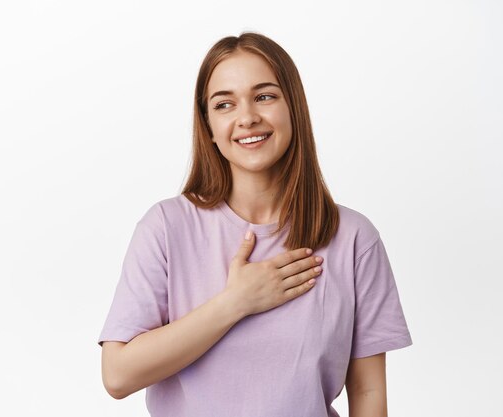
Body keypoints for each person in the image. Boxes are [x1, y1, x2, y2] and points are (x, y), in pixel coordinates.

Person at [97, 31, 412, 417]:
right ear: (209, 126)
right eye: (225, 104)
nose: (247, 117)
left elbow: (366, 391)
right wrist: (236, 303)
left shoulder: (353, 239)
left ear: (293, 107)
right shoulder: (165, 227)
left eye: (264, 96)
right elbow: (118, 375)